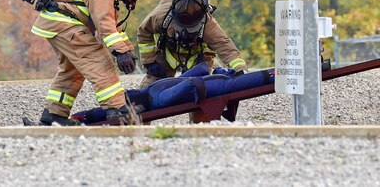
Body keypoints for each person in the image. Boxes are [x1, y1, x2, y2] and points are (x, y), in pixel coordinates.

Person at [26, 0, 160, 126]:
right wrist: (119, 53)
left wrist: (127, 50)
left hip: (56, 24)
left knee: (71, 72)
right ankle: (118, 110)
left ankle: (54, 115)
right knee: (100, 62)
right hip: (65, 25)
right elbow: (105, 25)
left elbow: (114, 25)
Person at [71, 62, 274, 125]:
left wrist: (201, 76)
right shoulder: (156, 95)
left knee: (231, 83)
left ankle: (274, 74)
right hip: (209, 85)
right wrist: (201, 78)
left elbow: (189, 81)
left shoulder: (155, 93)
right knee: (234, 83)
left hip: (209, 84)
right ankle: (274, 75)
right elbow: (190, 82)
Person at [137, 0, 247, 90]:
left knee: (197, 90)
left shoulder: (208, 24)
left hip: (198, 59)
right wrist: (150, 62)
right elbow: (144, 31)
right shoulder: (162, 14)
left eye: (191, 29)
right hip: (167, 54)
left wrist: (240, 70)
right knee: (150, 89)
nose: (184, 31)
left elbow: (224, 46)